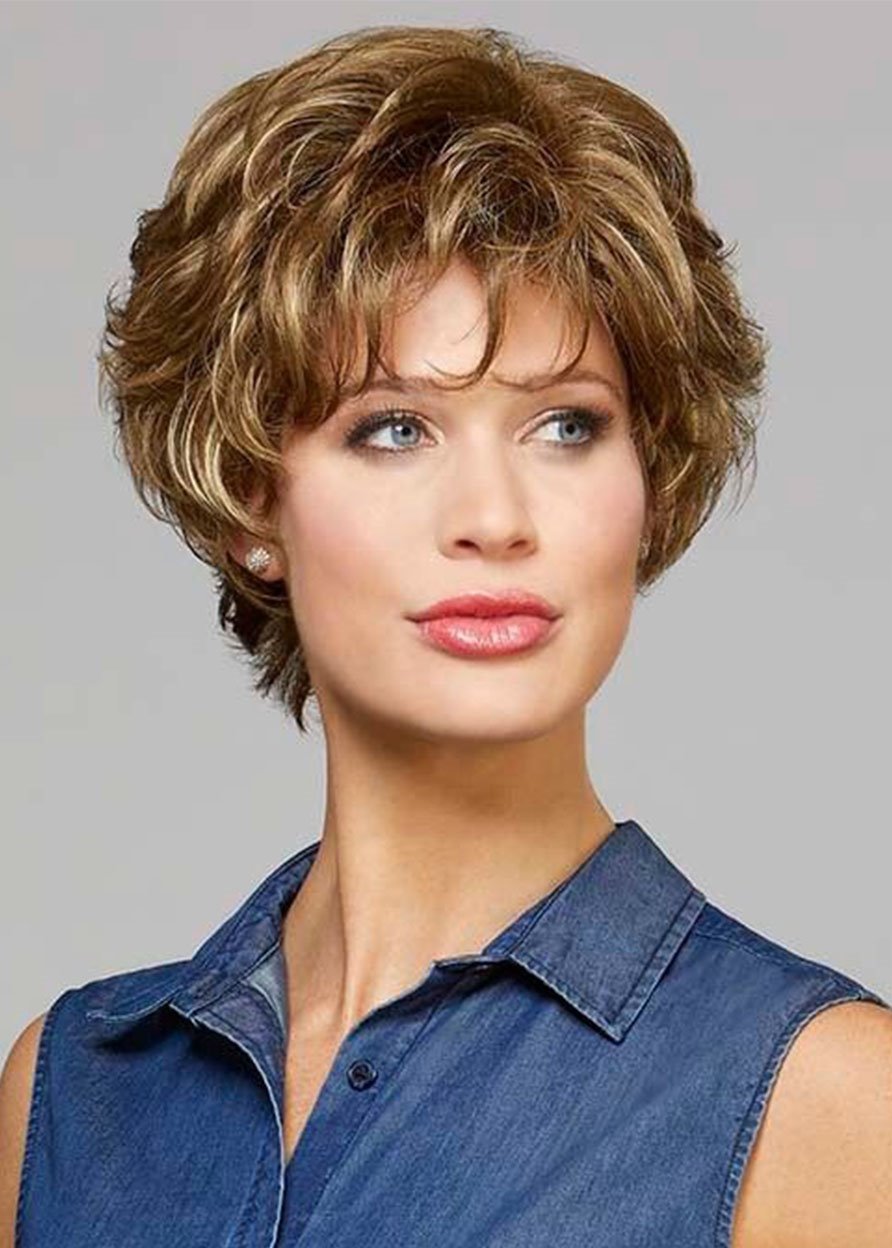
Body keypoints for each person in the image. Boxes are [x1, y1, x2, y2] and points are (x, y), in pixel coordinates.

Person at [2, 23, 890, 1248]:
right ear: (253, 502)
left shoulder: (821, 1104)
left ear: (647, 480)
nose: (494, 517)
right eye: (394, 429)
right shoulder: (71, 1094)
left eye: (566, 425)